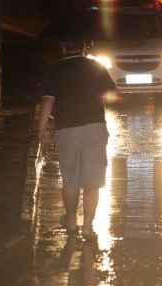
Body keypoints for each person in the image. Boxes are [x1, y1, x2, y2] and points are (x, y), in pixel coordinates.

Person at [36, 40, 116, 238]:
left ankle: (71, 220)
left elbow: (48, 101)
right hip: (95, 128)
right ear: (84, 48)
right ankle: (88, 226)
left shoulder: (55, 69)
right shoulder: (96, 66)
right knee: (92, 182)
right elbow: (109, 93)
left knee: (70, 179)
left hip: (67, 130)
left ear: (63, 48)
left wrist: (41, 130)